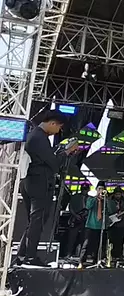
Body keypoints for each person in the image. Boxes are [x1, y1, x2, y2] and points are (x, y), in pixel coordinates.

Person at [15, 110, 77, 267]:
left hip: (31, 181)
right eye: (58, 128)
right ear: (52, 123)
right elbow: (54, 163)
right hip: (38, 182)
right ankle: (29, 257)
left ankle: (22, 255)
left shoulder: (35, 136)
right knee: (37, 221)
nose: (57, 131)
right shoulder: (39, 137)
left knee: (34, 222)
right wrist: (67, 152)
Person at [78, 183, 112, 268]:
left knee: (100, 245)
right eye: (99, 189)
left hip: (101, 226)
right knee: (86, 244)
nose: (101, 190)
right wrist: (97, 198)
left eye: (102, 189)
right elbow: (88, 206)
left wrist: (106, 199)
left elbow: (112, 210)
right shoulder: (91, 199)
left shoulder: (106, 201)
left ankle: (97, 261)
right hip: (91, 225)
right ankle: (81, 261)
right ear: (96, 189)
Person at [107, 188, 124, 266]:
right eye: (116, 194)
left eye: (119, 194)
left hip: (121, 225)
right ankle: (110, 256)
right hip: (112, 225)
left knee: (120, 241)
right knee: (111, 241)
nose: (118, 196)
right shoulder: (109, 202)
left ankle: (119, 256)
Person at [64, 184, 89, 258]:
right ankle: (68, 253)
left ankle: (82, 255)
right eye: (83, 189)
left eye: (86, 189)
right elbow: (70, 207)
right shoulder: (75, 197)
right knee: (72, 237)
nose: (84, 191)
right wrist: (75, 215)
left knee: (84, 238)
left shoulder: (90, 198)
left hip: (85, 219)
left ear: (88, 190)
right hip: (75, 219)